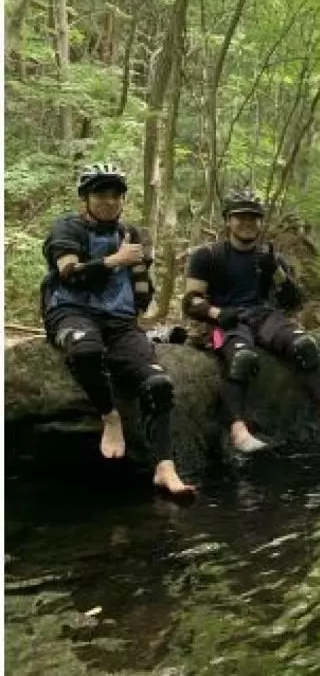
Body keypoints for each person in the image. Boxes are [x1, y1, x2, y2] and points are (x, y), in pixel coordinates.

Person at [40, 163, 195, 497]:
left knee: (158, 383)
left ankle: (165, 468)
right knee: (86, 351)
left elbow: (140, 283)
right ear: (86, 198)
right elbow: (69, 273)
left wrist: (141, 285)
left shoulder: (131, 234)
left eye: (115, 194)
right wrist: (114, 260)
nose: (109, 201)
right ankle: (111, 417)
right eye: (100, 193)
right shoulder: (67, 228)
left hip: (120, 322)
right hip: (71, 312)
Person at [182, 188, 320, 453]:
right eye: (240, 216)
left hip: (263, 315)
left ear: (261, 221)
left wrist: (278, 273)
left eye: (253, 217)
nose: (247, 222)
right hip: (225, 321)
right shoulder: (208, 255)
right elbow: (190, 301)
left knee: (304, 345)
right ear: (228, 220)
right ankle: (239, 430)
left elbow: (293, 302)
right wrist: (217, 313)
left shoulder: (270, 258)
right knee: (242, 358)